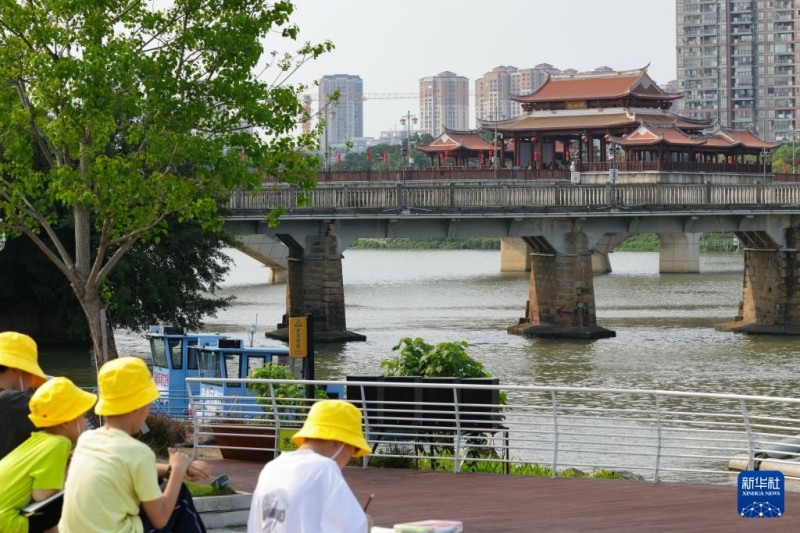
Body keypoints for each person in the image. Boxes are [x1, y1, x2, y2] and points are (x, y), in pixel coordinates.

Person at [59, 356, 210, 533]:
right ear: (139, 406)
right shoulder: (139, 452)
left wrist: (170, 468)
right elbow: (160, 519)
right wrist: (177, 472)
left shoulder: (87, 440)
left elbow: (125, 465)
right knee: (179, 497)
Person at [247, 399, 372, 533]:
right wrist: (366, 523)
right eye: (352, 450)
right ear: (339, 442)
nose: (349, 458)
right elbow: (353, 528)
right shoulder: (325, 469)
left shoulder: (271, 468)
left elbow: (255, 526)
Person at [0, 377, 96, 533]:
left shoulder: (38, 439)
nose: (85, 423)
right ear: (65, 422)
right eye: (82, 416)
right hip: (6, 521)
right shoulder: (59, 443)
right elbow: (42, 495)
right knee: (77, 497)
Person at [0, 331, 48, 459]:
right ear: (18, 369)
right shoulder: (11, 402)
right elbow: (66, 417)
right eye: (29, 373)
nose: (30, 382)